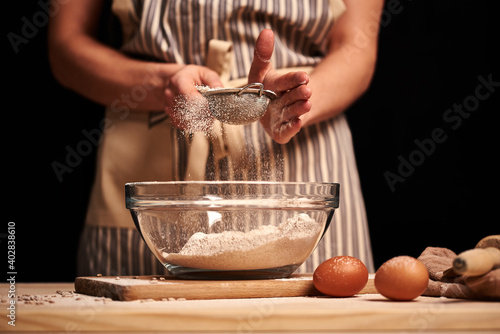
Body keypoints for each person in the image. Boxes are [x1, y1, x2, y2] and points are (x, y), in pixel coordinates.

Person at [48, 0, 383, 276]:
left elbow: (357, 47)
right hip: (151, 156)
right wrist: (161, 85)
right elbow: (66, 45)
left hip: (302, 155)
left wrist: (295, 101)